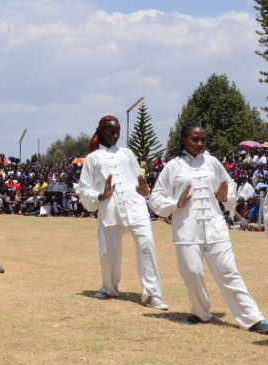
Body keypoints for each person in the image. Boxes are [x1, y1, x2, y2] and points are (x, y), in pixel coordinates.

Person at [150, 122, 268, 333]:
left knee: (229, 272)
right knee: (192, 272)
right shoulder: (173, 166)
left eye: (203, 139)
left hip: (215, 228)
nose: (200, 143)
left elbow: (229, 185)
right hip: (186, 230)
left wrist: (226, 197)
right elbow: (156, 199)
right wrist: (175, 203)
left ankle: (252, 318)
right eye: (195, 139)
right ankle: (201, 312)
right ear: (184, 140)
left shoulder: (213, 163)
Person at [79, 115, 168, 310]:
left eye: (118, 131)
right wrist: (100, 195)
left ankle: (152, 294)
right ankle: (109, 288)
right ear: (101, 132)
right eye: (111, 132)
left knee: (147, 246)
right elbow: (84, 190)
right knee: (108, 253)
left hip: (135, 206)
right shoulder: (93, 159)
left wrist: (145, 191)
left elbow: (140, 182)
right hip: (110, 208)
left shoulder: (127, 153)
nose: (116, 135)